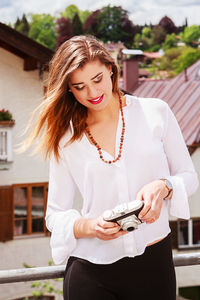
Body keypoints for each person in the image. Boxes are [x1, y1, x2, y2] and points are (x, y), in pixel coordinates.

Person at [25, 35, 198, 300]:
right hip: (91, 274)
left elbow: (189, 177)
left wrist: (164, 186)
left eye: (97, 80)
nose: (92, 93)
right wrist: (91, 226)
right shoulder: (65, 138)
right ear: (69, 89)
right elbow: (55, 215)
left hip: (154, 268)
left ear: (111, 68)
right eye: (79, 86)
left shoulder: (156, 113)